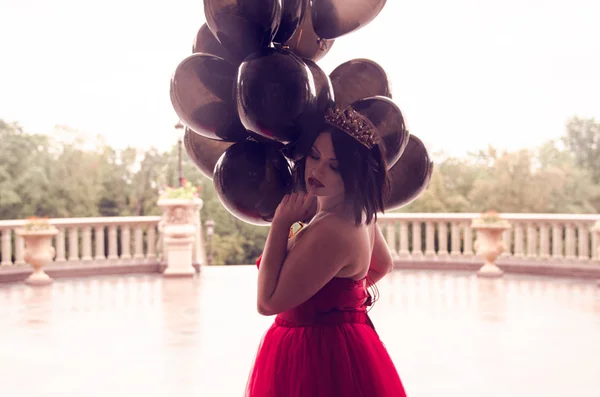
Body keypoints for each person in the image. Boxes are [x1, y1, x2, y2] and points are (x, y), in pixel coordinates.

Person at [245, 104, 408, 397]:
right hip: (342, 343)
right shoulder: (359, 210)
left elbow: (267, 303)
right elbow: (382, 265)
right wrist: (337, 302)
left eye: (334, 166)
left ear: (353, 172)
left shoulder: (331, 230)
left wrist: (280, 225)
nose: (317, 170)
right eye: (315, 156)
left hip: (313, 353)